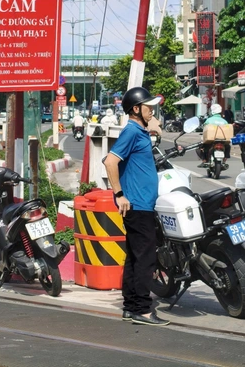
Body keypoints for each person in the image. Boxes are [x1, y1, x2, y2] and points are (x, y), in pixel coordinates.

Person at [102, 87, 169, 327]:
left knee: (134, 257)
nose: (152, 110)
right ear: (136, 109)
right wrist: (119, 194)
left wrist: (153, 127)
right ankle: (142, 309)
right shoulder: (131, 131)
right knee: (145, 259)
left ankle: (131, 307)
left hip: (140, 205)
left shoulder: (139, 131)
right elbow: (110, 161)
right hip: (137, 205)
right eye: (148, 106)